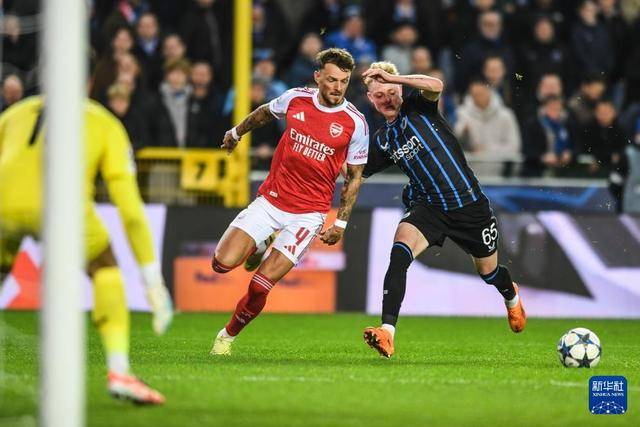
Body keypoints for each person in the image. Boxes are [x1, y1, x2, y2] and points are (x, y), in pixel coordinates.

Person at [0, 96, 173, 404]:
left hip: (3, 205)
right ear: (91, 82)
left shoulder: (15, 113)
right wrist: (152, 279)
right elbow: (131, 211)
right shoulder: (103, 121)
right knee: (104, 265)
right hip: (62, 208)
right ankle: (119, 371)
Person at [359, 62, 526, 359]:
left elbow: (436, 85)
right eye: (379, 95)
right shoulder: (383, 140)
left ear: (400, 89)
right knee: (399, 255)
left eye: (391, 91)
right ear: (371, 99)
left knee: (489, 273)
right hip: (430, 208)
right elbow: (356, 171)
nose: (387, 99)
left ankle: (511, 296)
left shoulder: (418, 107)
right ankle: (387, 332)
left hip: (470, 207)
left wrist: (393, 77)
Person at [209, 48, 369, 355]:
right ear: (318, 77)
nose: (337, 87)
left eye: (344, 81)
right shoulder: (295, 98)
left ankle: (226, 337)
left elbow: (354, 176)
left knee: (260, 286)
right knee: (221, 264)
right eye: (332, 79)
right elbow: (264, 113)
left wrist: (341, 222)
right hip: (271, 201)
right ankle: (259, 245)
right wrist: (236, 132)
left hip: (308, 214)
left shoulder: (356, 123)